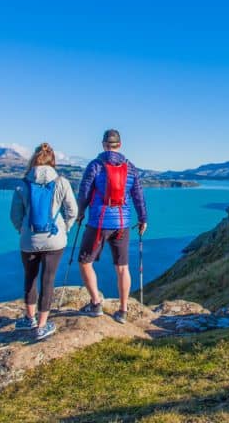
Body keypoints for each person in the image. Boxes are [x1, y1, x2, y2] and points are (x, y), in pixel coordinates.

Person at [76, 129, 147, 324]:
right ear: (120, 144)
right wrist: (143, 219)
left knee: (85, 261)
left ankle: (96, 303)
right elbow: (138, 196)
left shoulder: (95, 166)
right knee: (122, 268)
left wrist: (80, 213)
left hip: (98, 223)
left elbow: (84, 192)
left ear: (103, 144)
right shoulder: (130, 168)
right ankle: (123, 310)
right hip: (122, 224)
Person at [10, 143, 78, 340]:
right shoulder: (61, 182)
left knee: (30, 278)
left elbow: (15, 215)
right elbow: (72, 211)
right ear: (53, 160)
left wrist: (23, 230)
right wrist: (64, 229)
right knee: (48, 280)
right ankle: (41, 325)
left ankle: (29, 317)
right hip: (54, 240)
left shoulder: (22, 184)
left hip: (28, 239)